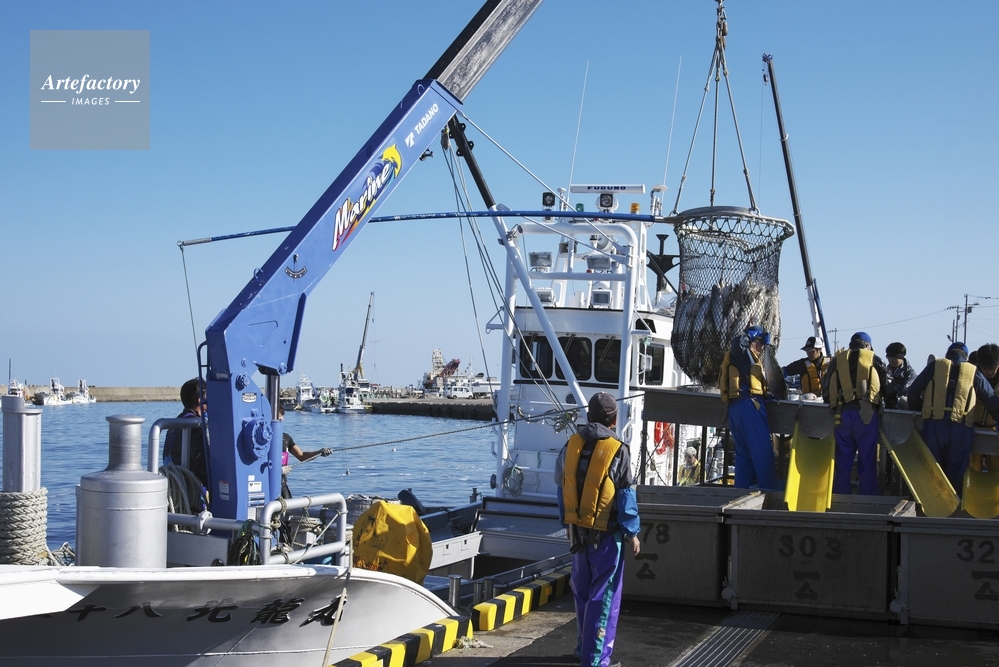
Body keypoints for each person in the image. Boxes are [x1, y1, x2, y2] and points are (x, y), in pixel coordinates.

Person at [556, 392, 640, 667]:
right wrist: (632, 532)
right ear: (614, 420)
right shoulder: (618, 450)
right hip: (606, 536)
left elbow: (562, 488)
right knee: (603, 598)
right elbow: (625, 494)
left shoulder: (570, 445)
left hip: (577, 535)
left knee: (582, 593)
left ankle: (584, 648)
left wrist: (566, 523)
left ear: (589, 416)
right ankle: (596, 660)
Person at [907, 342, 999, 492]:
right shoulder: (972, 371)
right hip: (960, 427)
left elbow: (913, 391)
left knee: (932, 469)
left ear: (947, 355)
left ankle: (930, 502)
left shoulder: (934, 366)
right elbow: (992, 401)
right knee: (956, 471)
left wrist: (918, 410)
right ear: (966, 357)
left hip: (933, 425)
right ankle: (954, 503)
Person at [822, 332, 887, 495]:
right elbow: (887, 385)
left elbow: (826, 387)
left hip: (842, 414)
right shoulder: (874, 359)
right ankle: (868, 498)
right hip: (866, 414)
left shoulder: (838, 360)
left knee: (842, 460)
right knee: (867, 459)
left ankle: (840, 496)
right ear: (868, 345)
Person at [719, 325, 778, 490]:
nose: (762, 348)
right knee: (762, 454)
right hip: (749, 408)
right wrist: (749, 334)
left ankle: (741, 496)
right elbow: (737, 343)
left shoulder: (745, 358)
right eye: (760, 343)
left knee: (744, 458)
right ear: (753, 342)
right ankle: (770, 497)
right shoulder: (743, 354)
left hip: (737, 409)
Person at [163, 378, 209, 493]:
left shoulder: (175, 423)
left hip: (174, 486)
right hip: (191, 489)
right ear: (200, 400)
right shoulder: (196, 426)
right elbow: (201, 464)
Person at [277, 404, 332, 498]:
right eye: (279, 416)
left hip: (282, 485)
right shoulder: (263, 440)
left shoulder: (285, 438)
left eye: (282, 416)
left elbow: (302, 456)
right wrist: (280, 470)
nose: (282, 419)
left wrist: (319, 452)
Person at [883, 342, 917, 409]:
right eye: (889, 358)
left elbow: (904, 392)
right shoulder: (885, 371)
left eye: (893, 359)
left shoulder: (910, 373)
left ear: (901, 358)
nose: (891, 361)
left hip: (901, 408)